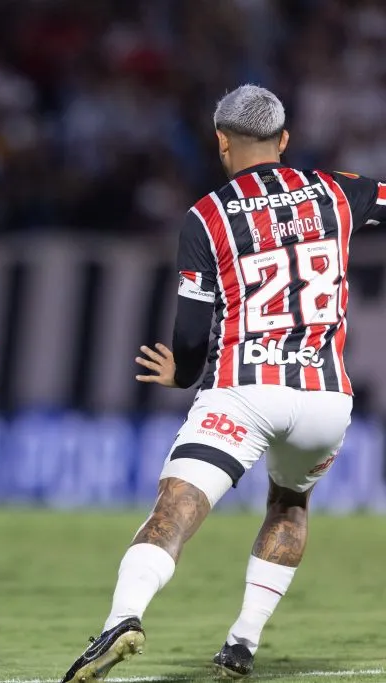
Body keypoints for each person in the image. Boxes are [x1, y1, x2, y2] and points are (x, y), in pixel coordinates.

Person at [60, 84, 386, 682]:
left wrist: (182, 373)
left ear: (221, 142)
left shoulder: (206, 218)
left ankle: (122, 619)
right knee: (290, 503)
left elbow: (190, 334)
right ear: (284, 140)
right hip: (325, 399)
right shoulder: (343, 191)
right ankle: (242, 641)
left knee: (176, 507)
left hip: (245, 389)